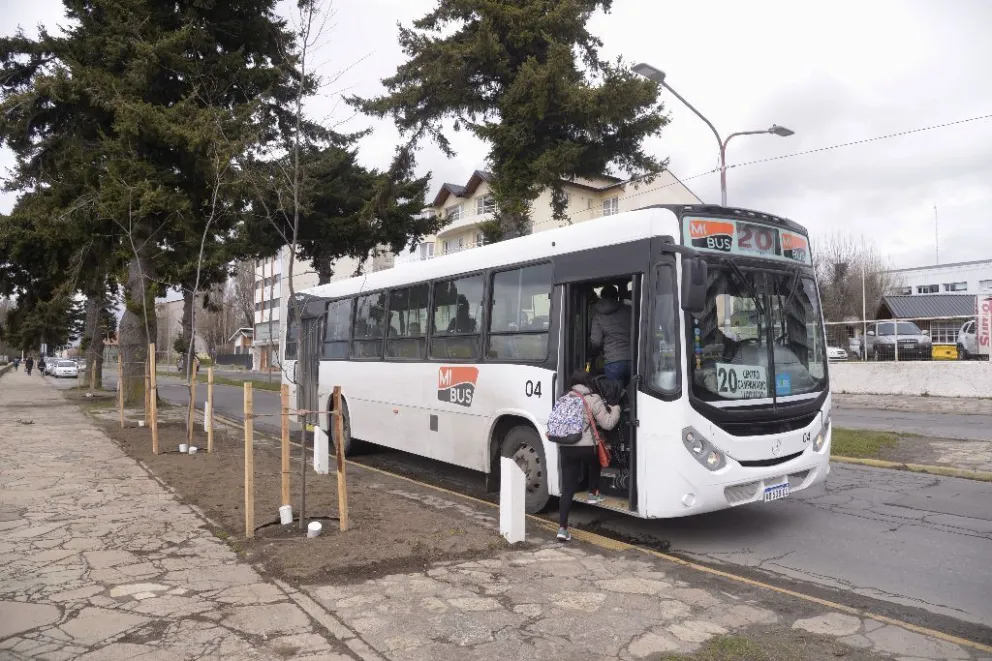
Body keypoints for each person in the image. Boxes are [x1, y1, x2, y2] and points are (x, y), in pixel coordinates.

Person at [557, 369, 620, 542]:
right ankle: (593, 493)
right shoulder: (593, 399)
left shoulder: (564, 398)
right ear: (588, 383)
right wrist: (616, 408)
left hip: (566, 446)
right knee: (596, 460)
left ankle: (562, 529)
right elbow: (608, 424)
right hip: (586, 447)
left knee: (567, 490)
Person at [590, 285, 632, 384]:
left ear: (602, 297)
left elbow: (596, 342)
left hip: (613, 361)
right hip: (632, 359)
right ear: (616, 296)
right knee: (633, 396)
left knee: (613, 395)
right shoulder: (628, 310)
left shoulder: (598, 315)